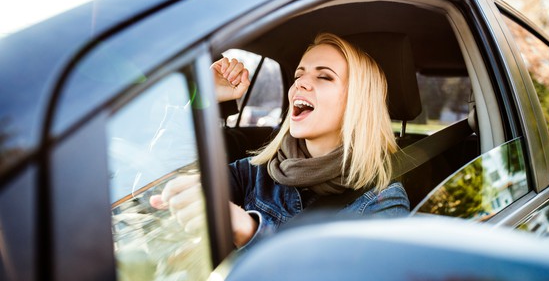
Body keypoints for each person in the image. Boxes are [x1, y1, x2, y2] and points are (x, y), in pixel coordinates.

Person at [152, 33, 410, 249]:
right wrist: (204, 99)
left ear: (358, 102)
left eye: (324, 77)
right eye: (299, 75)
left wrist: (248, 230)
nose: (301, 84)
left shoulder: (382, 202)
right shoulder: (258, 172)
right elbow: (163, 183)